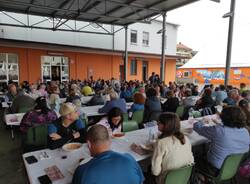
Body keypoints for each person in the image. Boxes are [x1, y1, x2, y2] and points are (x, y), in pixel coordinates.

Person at [72, 124, 144, 184]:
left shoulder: (82, 171)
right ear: (109, 140)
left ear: (89, 144)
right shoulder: (130, 159)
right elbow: (141, 181)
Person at [193, 106, 250, 176]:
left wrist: (202, 121)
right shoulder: (245, 131)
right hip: (235, 167)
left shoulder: (219, 131)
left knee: (194, 157)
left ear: (224, 117)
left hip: (215, 169)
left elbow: (197, 127)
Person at [151, 112, 194, 184]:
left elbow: (155, 172)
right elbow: (191, 160)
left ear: (166, 125)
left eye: (159, 122)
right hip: (184, 178)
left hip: (166, 180)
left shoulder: (161, 142)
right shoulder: (186, 138)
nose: (157, 123)